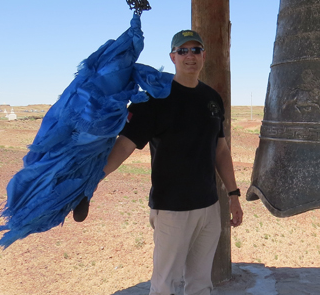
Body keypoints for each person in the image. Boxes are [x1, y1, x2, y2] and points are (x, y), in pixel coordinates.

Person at [75, 29, 243, 295]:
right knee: (165, 285)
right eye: (183, 51)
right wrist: (91, 183)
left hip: (209, 207)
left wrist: (233, 194)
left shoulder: (212, 98)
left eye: (196, 50)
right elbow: (124, 146)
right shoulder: (154, 99)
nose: (190, 56)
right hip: (172, 210)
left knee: (201, 284)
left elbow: (220, 149)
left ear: (204, 56)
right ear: (172, 57)